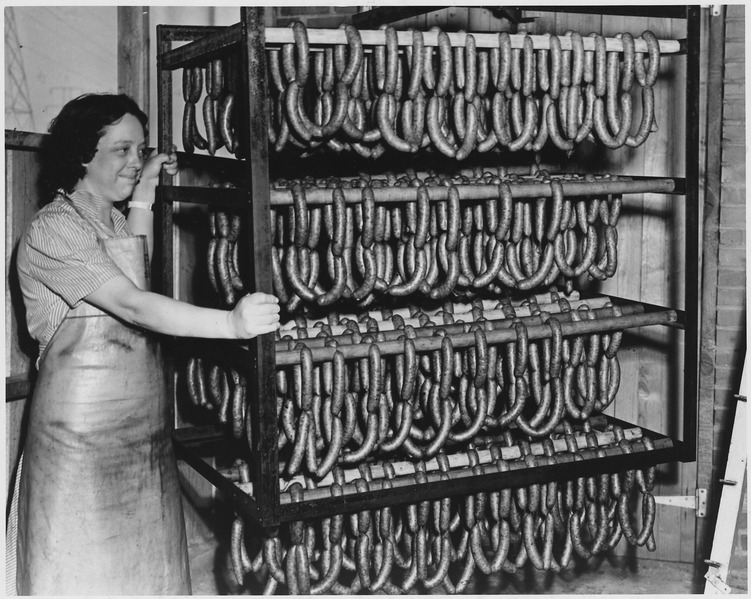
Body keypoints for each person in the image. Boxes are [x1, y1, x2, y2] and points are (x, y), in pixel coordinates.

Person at [8, 93, 280, 595]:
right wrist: (232, 326)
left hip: (137, 425)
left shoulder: (104, 218)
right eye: (121, 150)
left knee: (144, 568)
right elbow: (133, 305)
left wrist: (146, 185)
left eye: (141, 149)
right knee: (84, 567)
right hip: (78, 431)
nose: (134, 160)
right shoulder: (54, 228)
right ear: (81, 156)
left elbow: (133, 259)